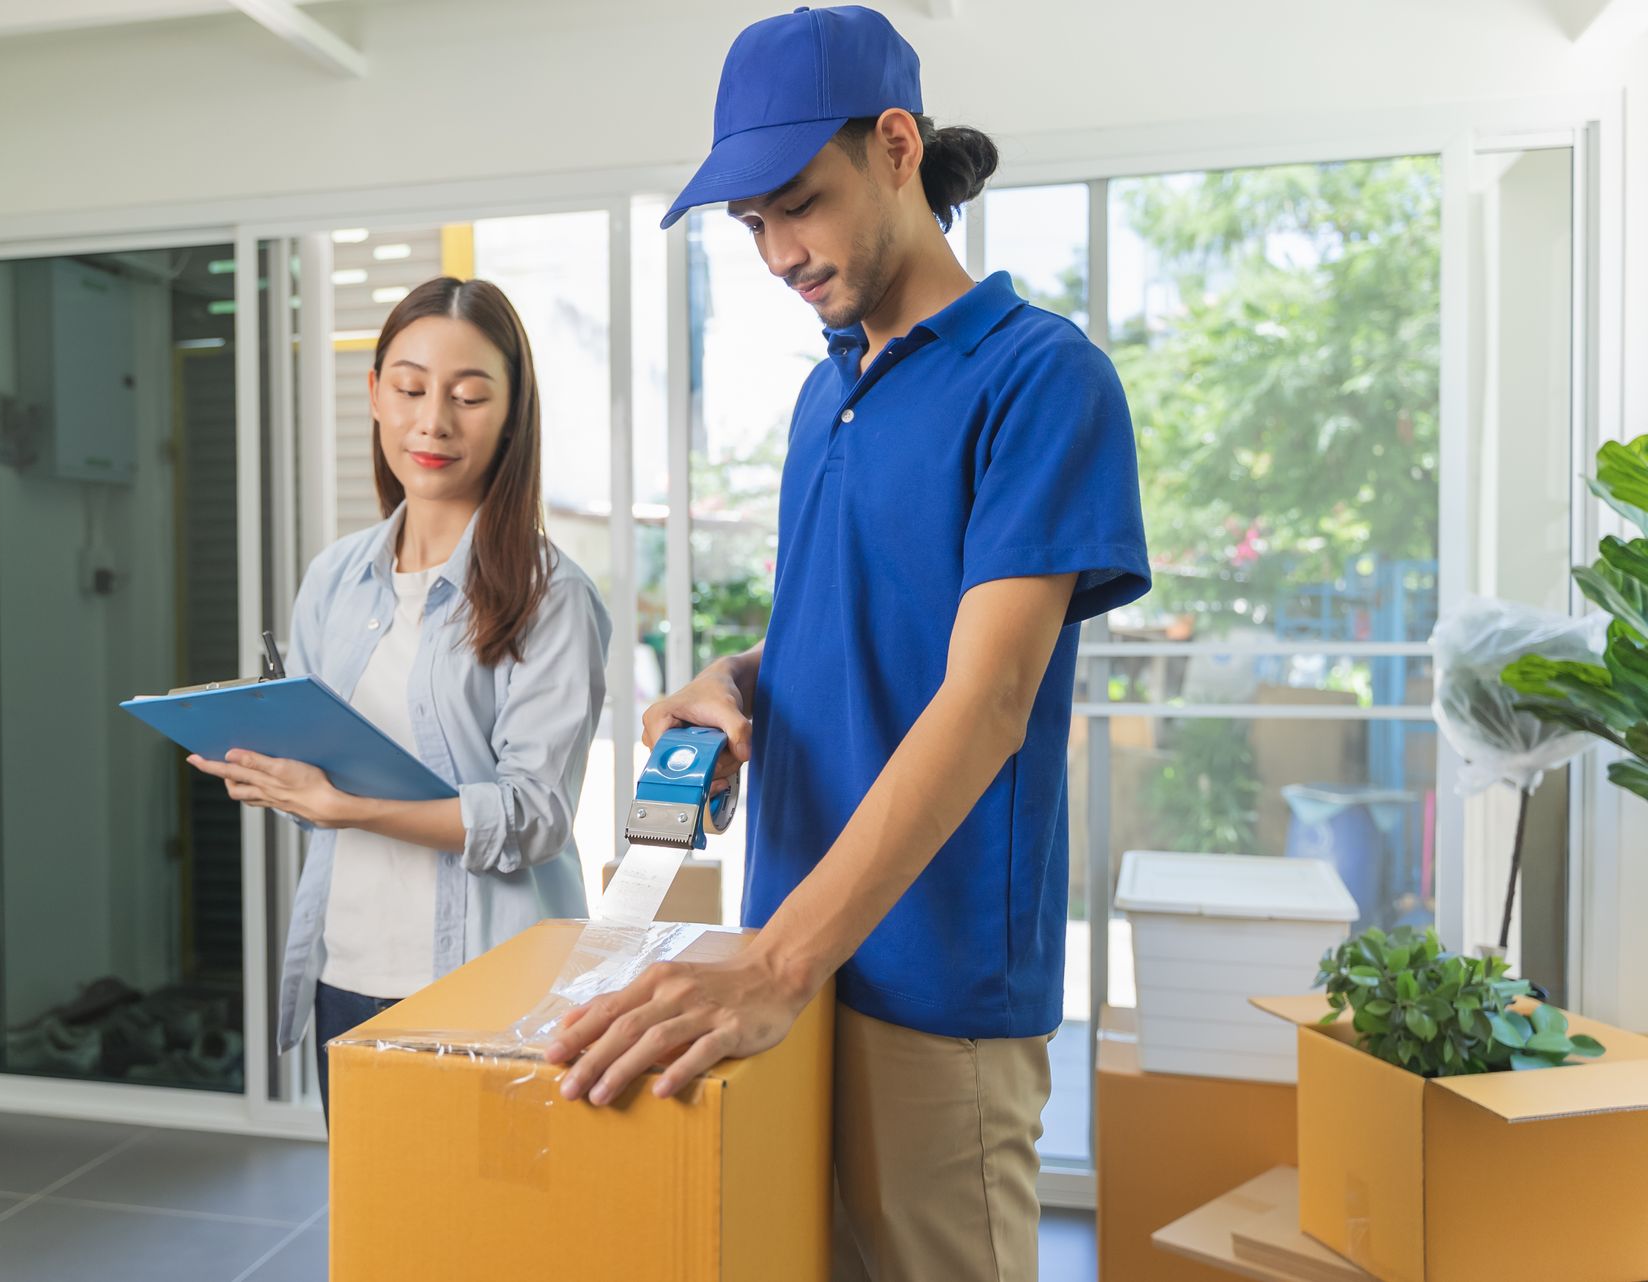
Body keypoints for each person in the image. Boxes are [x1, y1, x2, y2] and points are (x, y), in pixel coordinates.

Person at [543, 8, 1150, 1281]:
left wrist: (772, 959)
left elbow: (986, 701)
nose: (776, 253)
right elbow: (859, 630)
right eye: (751, 226)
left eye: (798, 206)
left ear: (894, 145)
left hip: (930, 992)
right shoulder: (831, 387)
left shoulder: (1041, 380)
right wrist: (737, 684)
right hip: (797, 961)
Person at [188, 276, 609, 1118]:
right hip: (346, 970)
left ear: (513, 411)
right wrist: (276, 778)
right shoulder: (335, 579)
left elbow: (532, 818)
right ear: (375, 393)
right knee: (377, 1244)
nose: (434, 422)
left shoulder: (550, 595)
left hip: (488, 983)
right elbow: (319, 789)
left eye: (469, 396)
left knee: (483, 1243)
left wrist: (346, 806)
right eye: (411, 389)